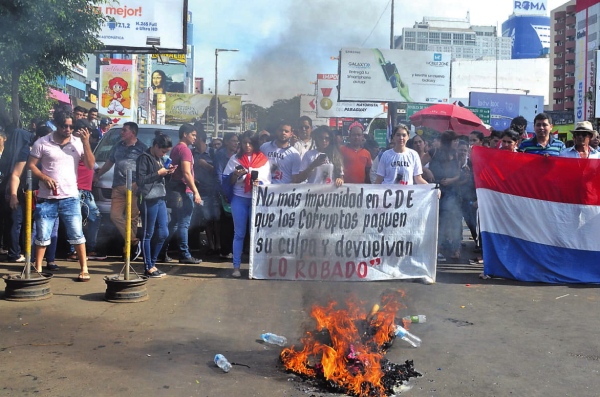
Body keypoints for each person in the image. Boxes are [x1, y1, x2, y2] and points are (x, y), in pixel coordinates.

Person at [27, 110, 94, 280]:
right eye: (65, 126)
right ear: (56, 124)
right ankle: (38, 268)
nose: (69, 129)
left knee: (77, 234)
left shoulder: (77, 143)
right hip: (47, 198)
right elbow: (31, 165)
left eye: (71, 126)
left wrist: (86, 142)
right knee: (42, 234)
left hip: (71, 196)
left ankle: (84, 268)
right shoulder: (42, 143)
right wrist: (43, 177)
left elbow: (90, 165)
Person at [9, 126, 60, 270]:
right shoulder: (27, 152)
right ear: (40, 138)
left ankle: (50, 260)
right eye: (49, 137)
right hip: (29, 194)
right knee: (34, 228)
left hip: (49, 194)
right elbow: (16, 175)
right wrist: (13, 195)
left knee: (53, 229)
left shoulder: (52, 151)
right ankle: (30, 260)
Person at [94, 122, 147, 257]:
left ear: (133, 133)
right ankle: (134, 241)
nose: (121, 133)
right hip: (117, 186)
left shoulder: (142, 148)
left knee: (133, 218)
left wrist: (139, 183)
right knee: (115, 215)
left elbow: (146, 168)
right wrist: (98, 175)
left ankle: (129, 250)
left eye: (124, 131)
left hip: (134, 186)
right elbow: (109, 162)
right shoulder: (118, 146)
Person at [223, 131, 271, 277]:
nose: (247, 146)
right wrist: (235, 176)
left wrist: (259, 182)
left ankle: (255, 267)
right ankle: (236, 267)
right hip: (239, 199)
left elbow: (268, 181)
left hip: (256, 199)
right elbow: (226, 180)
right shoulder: (235, 159)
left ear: (255, 143)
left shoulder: (263, 159)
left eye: (250, 142)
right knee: (239, 233)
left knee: (255, 233)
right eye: (244, 143)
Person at [136, 133, 177, 278]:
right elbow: (140, 180)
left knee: (164, 232)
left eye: (166, 152)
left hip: (160, 197)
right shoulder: (144, 158)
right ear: (156, 146)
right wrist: (159, 173)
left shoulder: (159, 159)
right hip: (148, 199)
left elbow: (164, 179)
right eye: (163, 151)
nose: (164, 154)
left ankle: (152, 263)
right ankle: (148, 267)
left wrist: (168, 172)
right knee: (148, 233)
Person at [163, 124, 202, 264]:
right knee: (183, 224)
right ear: (185, 134)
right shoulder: (185, 150)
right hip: (184, 191)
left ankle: (161, 251)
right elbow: (186, 173)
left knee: (174, 223)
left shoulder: (176, 149)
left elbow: (181, 172)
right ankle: (184, 254)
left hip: (176, 189)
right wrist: (196, 192)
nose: (195, 138)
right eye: (193, 135)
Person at [66, 118, 105, 262]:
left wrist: (98, 170)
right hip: (77, 189)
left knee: (92, 218)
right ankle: (75, 251)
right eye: (87, 130)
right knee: (75, 220)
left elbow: (91, 163)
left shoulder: (82, 144)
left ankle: (88, 249)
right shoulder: (73, 144)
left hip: (85, 190)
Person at [429, 130, 462, 261]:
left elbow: (458, 174)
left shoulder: (457, 154)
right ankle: (436, 249)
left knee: (454, 219)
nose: (457, 143)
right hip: (437, 189)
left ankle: (456, 249)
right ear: (448, 142)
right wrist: (427, 171)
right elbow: (419, 164)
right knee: (438, 221)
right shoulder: (434, 152)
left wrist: (451, 180)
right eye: (455, 141)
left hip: (452, 191)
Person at [192, 129, 222, 256]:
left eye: (195, 137)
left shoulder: (214, 153)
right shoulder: (192, 153)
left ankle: (220, 245)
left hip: (214, 191)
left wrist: (206, 165)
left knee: (217, 220)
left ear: (200, 139)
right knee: (207, 220)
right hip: (201, 191)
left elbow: (219, 171)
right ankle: (211, 245)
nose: (193, 140)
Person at [456, 140, 478, 248]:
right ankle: (456, 246)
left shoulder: (471, 163)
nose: (462, 152)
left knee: (472, 224)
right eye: (460, 150)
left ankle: (479, 245)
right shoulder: (452, 163)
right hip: (454, 197)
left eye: (464, 150)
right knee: (454, 223)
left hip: (468, 198)